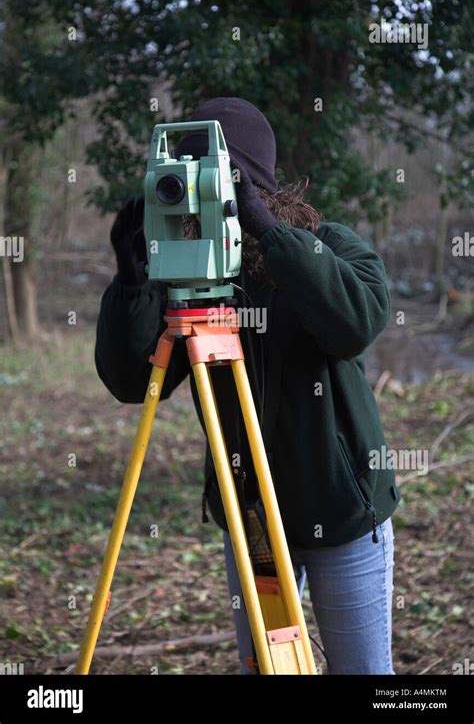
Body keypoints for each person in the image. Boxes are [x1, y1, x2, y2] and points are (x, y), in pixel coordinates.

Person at [95, 97, 400, 675]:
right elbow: (133, 380)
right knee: (266, 669)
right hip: (252, 518)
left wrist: (264, 227)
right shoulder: (193, 276)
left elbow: (355, 322)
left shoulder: (328, 245)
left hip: (340, 518)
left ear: (256, 184)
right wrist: (132, 281)